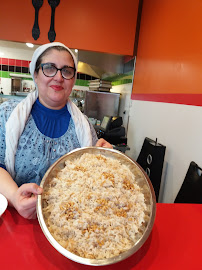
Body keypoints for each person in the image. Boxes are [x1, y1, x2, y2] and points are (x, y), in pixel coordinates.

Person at [0, 42, 112, 219]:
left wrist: (107, 161)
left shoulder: (84, 128)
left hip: (68, 224)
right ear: (35, 75)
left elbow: (92, 183)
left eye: (67, 71)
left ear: (73, 80)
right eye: (49, 68)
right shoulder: (7, 115)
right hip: (15, 220)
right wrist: (15, 197)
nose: (59, 77)